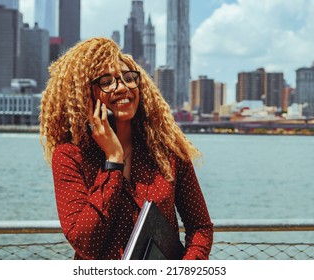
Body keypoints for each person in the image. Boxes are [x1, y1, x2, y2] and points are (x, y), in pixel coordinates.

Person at [39, 37, 213, 260]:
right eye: (107, 81)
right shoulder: (70, 156)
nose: (122, 87)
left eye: (128, 78)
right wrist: (113, 160)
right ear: (85, 94)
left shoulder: (168, 150)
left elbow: (200, 227)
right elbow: (85, 242)